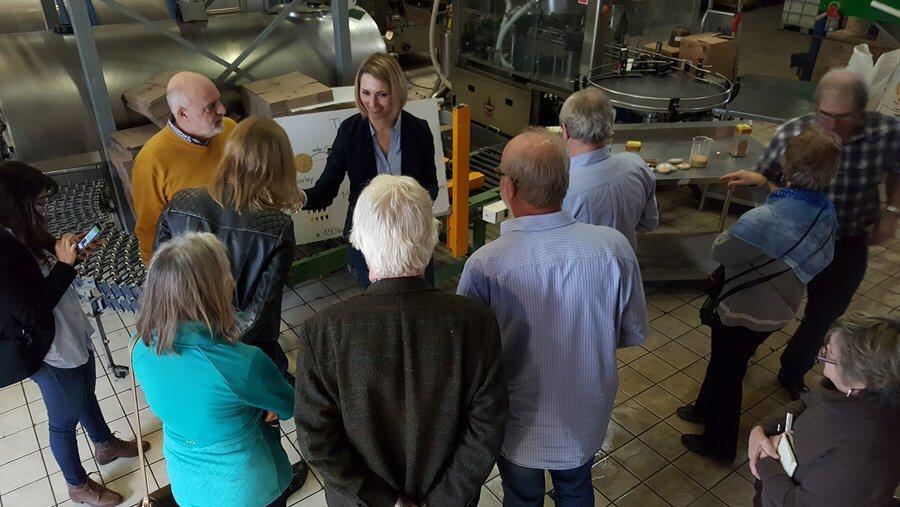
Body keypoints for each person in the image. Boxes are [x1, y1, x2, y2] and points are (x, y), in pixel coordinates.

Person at [458, 129, 647, 505]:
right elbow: (633, 332)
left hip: (517, 427)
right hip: (586, 416)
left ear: (508, 189)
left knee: (522, 497)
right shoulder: (613, 248)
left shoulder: (485, 265)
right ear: (565, 180)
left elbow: (468, 359)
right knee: (576, 490)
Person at [294, 174, 508, 506]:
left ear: (360, 240)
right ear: (430, 236)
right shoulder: (476, 322)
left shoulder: (321, 333)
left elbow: (316, 442)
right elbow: (487, 426)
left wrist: (387, 502)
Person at [721, 69, 900, 400]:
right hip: (789, 246)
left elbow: (897, 169)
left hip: (847, 241)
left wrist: (891, 214)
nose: (831, 126)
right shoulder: (793, 133)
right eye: (825, 114)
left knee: (823, 317)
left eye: (842, 117)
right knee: (765, 309)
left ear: (863, 111)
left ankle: (793, 371)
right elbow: (763, 181)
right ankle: (741, 355)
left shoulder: (888, 133)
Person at [678, 126, 841, 463]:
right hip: (781, 307)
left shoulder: (766, 217)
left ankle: (718, 444)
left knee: (729, 371)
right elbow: (821, 259)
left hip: (744, 308)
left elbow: (721, 251)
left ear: (787, 167)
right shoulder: (825, 212)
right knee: (727, 360)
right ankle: (703, 408)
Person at [0, 162, 148, 507]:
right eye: (36, 204)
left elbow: (40, 266)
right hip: (43, 349)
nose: (42, 210)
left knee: (85, 391)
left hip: (66, 329)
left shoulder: (19, 230)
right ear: (15, 205)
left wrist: (67, 253)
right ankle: (76, 485)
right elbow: (31, 312)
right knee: (64, 418)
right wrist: (65, 266)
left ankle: (105, 444)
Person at [132, 232, 295, 507]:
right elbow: (288, 405)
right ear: (215, 291)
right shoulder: (243, 363)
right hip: (246, 488)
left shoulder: (138, 347)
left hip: (187, 482)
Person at [155, 116, 302, 378]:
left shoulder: (180, 203)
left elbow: (160, 281)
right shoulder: (276, 227)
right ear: (279, 165)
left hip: (181, 346)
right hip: (243, 353)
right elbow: (259, 312)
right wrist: (224, 353)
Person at [301, 52, 438, 287]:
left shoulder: (419, 130)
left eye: (382, 95)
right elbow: (326, 189)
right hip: (368, 243)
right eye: (366, 93)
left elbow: (431, 185)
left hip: (413, 237)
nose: (372, 104)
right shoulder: (349, 132)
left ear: (397, 92)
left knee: (422, 298)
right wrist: (296, 197)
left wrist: (405, 206)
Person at [748, 313, 900, 506]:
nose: (822, 355)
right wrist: (761, 429)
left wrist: (765, 458)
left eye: (828, 354)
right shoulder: (847, 391)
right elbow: (809, 402)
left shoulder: (861, 457)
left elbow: (798, 503)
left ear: (861, 380)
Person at [132, 70, 237, 264]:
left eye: (219, 101)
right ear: (182, 113)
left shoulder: (230, 129)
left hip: (240, 248)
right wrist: (156, 275)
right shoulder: (152, 161)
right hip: (198, 264)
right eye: (211, 106)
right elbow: (149, 228)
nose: (222, 109)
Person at [560, 87, 658, 248]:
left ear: (565, 131)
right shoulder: (637, 166)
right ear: (610, 125)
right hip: (627, 266)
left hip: (582, 272)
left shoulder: (564, 189)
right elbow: (649, 224)